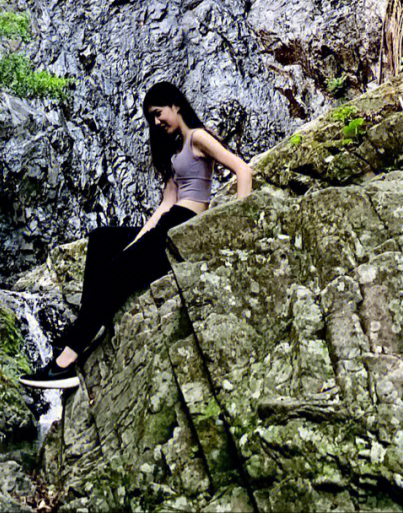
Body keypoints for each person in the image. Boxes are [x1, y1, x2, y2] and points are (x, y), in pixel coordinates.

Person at [19, 79, 253, 390]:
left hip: (185, 225)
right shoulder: (173, 152)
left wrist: (240, 222)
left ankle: (66, 361)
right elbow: (164, 206)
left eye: (159, 113)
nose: (157, 122)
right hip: (169, 223)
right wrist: (135, 242)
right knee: (103, 239)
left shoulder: (198, 137)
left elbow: (243, 170)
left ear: (175, 105)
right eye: (152, 118)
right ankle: (90, 324)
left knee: (113, 274)